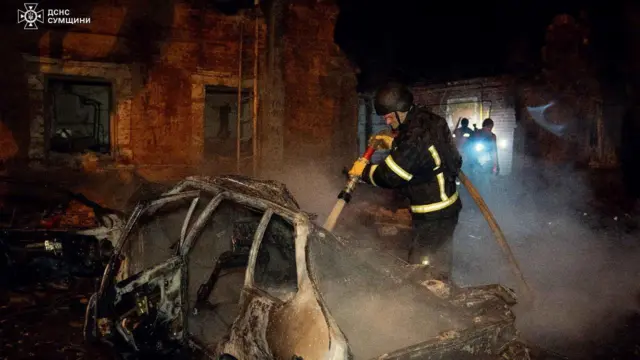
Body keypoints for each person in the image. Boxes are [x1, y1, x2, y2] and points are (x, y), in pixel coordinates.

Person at [348, 82, 462, 278]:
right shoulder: (428, 120)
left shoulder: (414, 138)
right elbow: (431, 155)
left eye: (390, 116)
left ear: (402, 111)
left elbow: (390, 176)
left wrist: (363, 171)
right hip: (445, 209)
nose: (387, 122)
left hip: (434, 214)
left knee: (423, 269)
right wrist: (395, 143)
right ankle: (439, 292)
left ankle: (432, 304)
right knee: (437, 262)